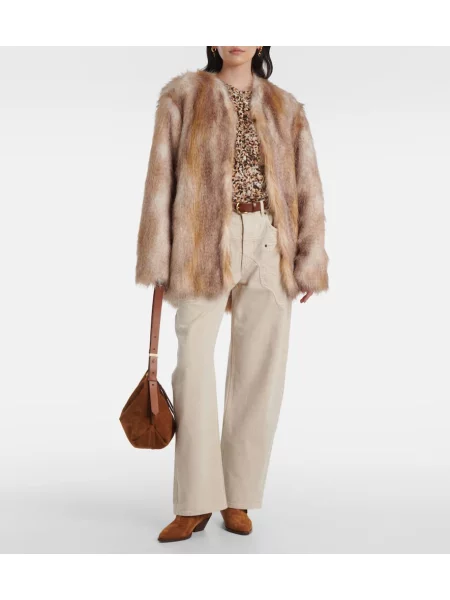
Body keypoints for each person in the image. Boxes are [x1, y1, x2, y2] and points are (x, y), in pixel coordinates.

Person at [135, 46, 329, 543]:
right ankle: (194, 501)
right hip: (202, 242)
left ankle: (237, 496)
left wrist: (309, 259)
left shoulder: (287, 107)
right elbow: (160, 180)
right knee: (192, 365)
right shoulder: (181, 96)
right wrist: (157, 256)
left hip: (269, 242)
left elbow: (308, 186)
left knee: (261, 371)